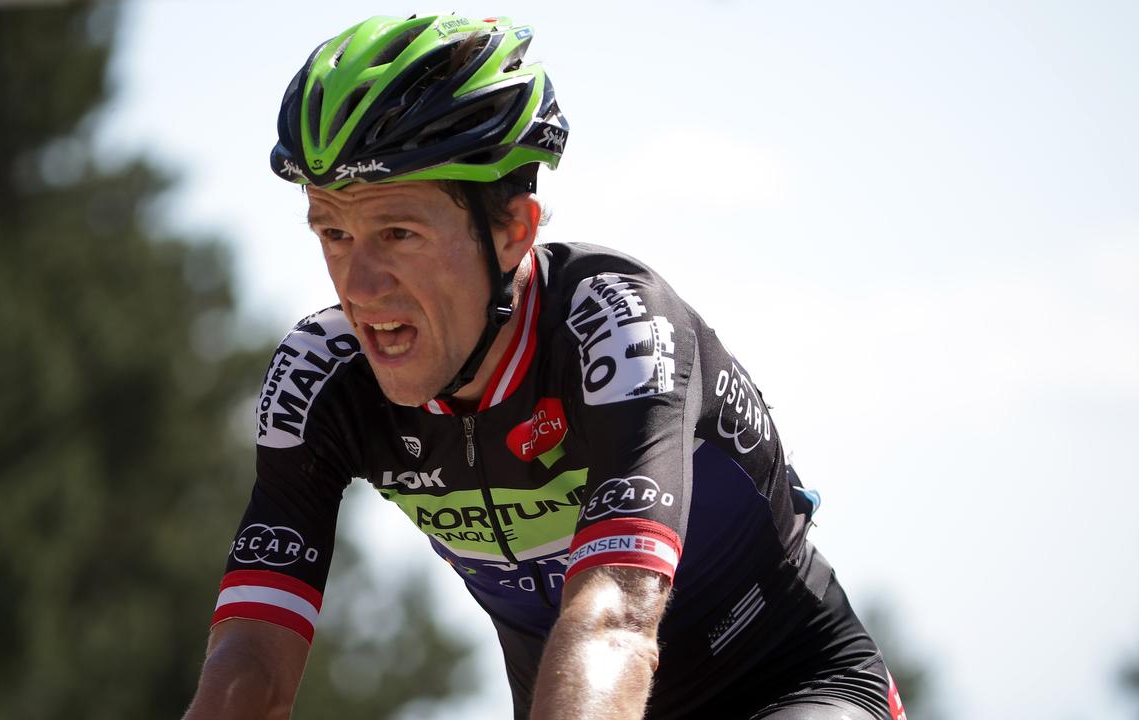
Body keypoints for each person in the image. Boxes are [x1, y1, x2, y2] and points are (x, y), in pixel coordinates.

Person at [183, 13, 907, 720]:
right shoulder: (324, 380)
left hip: (791, 688)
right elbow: (249, 666)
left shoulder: (617, 331)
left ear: (511, 230)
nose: (360, 285)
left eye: (398, 233)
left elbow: (614, 618)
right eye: (333, 232)